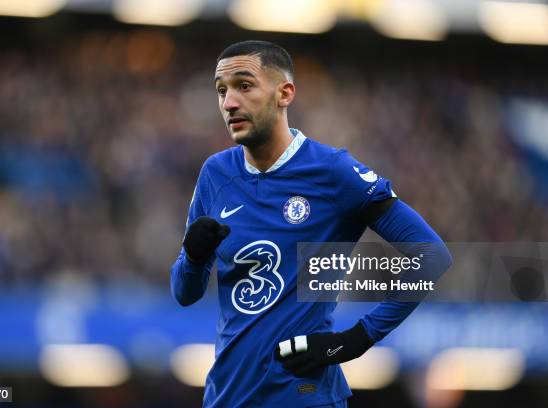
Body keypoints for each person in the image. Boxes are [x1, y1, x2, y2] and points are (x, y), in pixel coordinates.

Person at [170, 40, 452, 408]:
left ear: (284, 93)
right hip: (227, 396)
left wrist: (357, 338)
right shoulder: (215, 174)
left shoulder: (332, 172)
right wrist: (193, 256)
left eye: (244, 85)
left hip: (304, 397)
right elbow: (184, 293)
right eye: (221, 91)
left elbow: (431, 255)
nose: (229, 103)